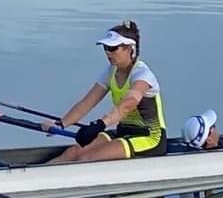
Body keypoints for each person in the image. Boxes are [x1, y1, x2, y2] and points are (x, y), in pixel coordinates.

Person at [42, 20, 166, 163]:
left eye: (113, 48)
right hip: (123, 132)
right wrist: (60, 124)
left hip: (150, 138)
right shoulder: (110, 72)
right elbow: (86, 103)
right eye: (106, 47)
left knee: (87, 158)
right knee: (74, 152)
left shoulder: (142, 75)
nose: (108, 52)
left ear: (129, 48)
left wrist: (100, 124)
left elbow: (128, 104)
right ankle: (35, 181)